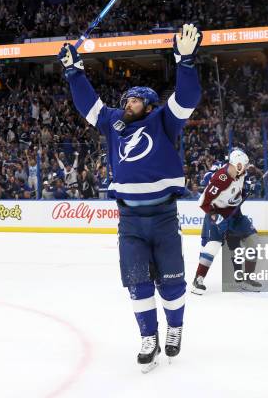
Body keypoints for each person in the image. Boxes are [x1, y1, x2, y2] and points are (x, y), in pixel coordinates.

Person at [58, 23, 202, 372]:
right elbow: (89, 105)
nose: (127, 103)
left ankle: (175, 328)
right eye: (125, 100)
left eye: (134, 100)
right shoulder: (113, 122)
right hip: (131, 221)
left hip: (164, 218)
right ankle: (148, 336)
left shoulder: (163, 121)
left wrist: (185, 62)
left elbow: (187, 99)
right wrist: (74, 71)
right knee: (137, 282)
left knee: (171, 281)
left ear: (149, 106)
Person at [191, 149, 262, 295]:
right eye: (245, 165)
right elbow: (203, 202)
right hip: (217, 213)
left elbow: (238, 192)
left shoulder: (241, 174)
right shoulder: (220, 179)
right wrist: (216, 218)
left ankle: (246, 280)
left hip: (235, 214)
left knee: (253, 240)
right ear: (238, 165)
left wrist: (248, 189)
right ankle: (197, 280)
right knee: (213, 246)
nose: (247, 168)